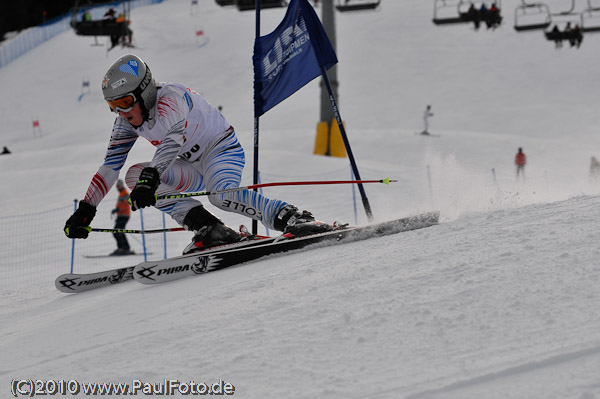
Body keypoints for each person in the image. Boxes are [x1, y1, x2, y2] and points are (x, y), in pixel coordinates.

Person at [64, 54, 333, 255]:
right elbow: (111, 165)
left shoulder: (172, 97)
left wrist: (152, 176)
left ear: (144, 92)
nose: (121, 112)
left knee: (221, 194)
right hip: (189, 166)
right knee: (134, 175)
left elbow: (171, 139)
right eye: (113, 106)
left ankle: (292, 217)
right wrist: (86, 209)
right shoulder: (126, 121)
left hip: (221, 149)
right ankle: (211, 229)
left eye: (124, 102)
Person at [110, 179, 134, 255]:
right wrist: (116, 210)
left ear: (122, 186)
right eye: (117, 186)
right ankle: (121, 248)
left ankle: (125, 248)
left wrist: (118, 209)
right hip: (120, 215)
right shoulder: (121, 193)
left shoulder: (125, 194)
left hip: (124, 215)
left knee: (119, 232)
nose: (118, 187)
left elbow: (126, 205)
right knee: (116, 232)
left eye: (119, 186)